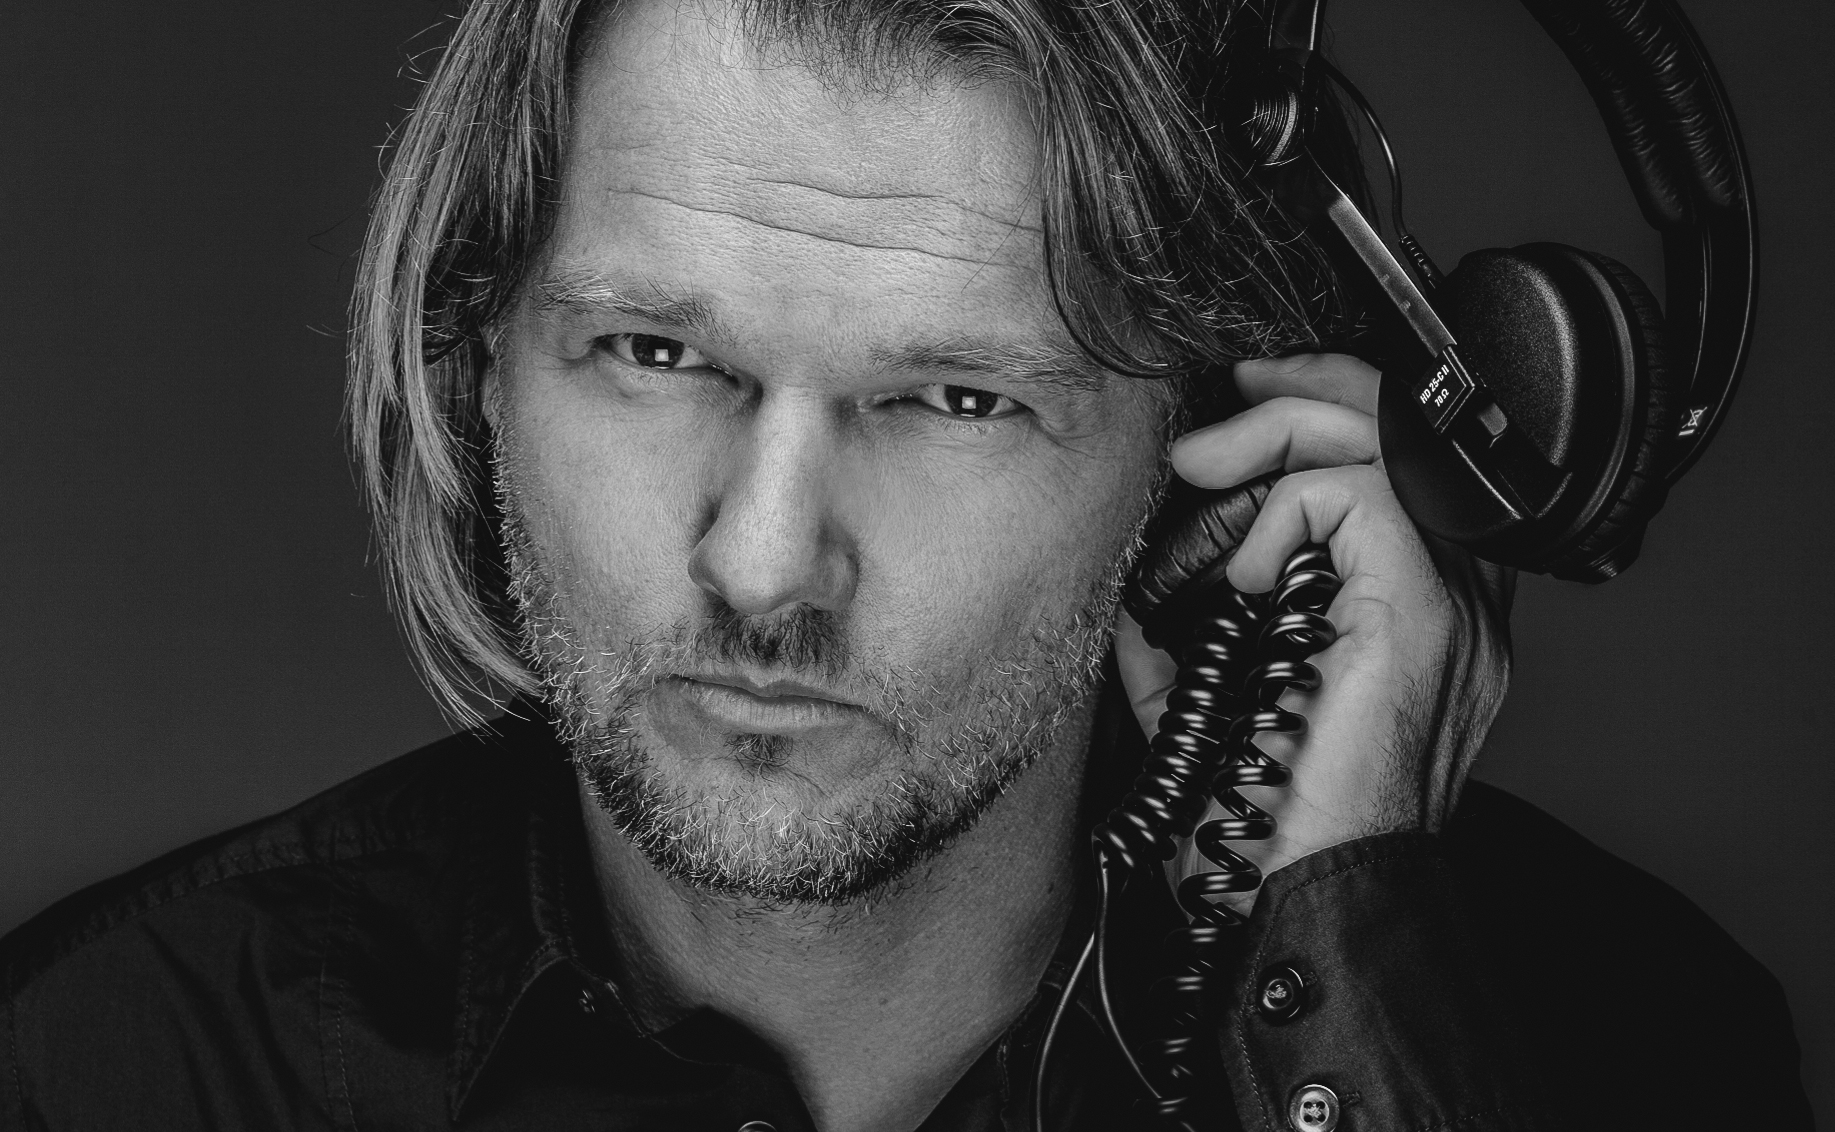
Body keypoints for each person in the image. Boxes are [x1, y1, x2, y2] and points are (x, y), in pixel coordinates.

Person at [0, 1, 1811, 1130]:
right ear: (481, 360)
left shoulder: (1629, 1047)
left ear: (1206, 440)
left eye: (954, 398)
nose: (763, 564)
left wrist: (1357, 998)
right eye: (655, 354)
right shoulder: (110, 1065)